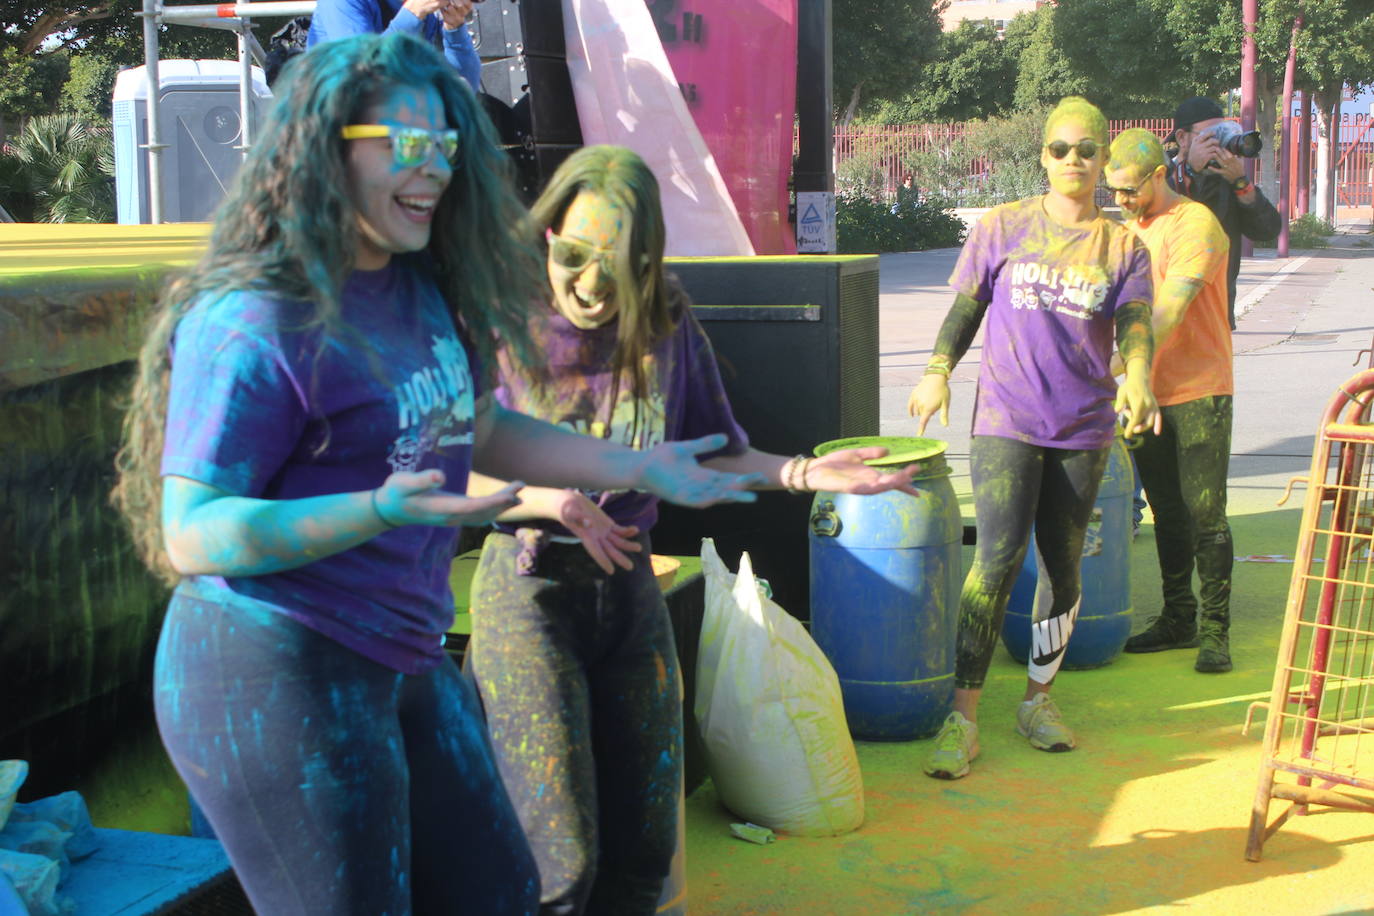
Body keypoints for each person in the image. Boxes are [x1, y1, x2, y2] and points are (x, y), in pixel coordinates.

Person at [111, 35, 766, 915]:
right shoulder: (257, 318)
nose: (434, 170)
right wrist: (377, 508)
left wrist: (638, 463)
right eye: (406, 144)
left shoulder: (420, 287)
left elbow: (484, 426)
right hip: (276, 670)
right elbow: (193, 533)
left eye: (446, 145)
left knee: (502, 894)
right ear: (328, 145)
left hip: (404, 655)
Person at [464, 145, 923, 914]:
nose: (590, 285)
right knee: (560, 865)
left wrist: (805, 472)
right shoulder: (500, 321)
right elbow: (440, 470)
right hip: (529, 589)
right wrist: (551, 501)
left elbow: (722, 452)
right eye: (574, 256)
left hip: (630, 592)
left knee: (646, 851)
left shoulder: (666, 323)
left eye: (617, 264)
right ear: (548, 236)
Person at [907, 96, 1159, 780]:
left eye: (1087, 149)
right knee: (994, 561)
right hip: (1007, 421)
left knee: (1064, 566)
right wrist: (936, 373)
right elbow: (966, 308)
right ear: (1043, 156)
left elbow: (1137, 320)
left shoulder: (1123, 246)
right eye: (1060, 148)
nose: (1073, 160)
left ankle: (1037, 702)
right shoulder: (1004, 226)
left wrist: (1138, 374)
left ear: (1105, 159)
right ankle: (962, 719)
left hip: (1083, 426)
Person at [1107, 129, 1235, 673]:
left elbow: (1168, 313)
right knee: (1165, 510)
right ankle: (1178, 618)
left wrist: (1108, 371)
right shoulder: (1126, 233)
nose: (1121, 202)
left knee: (1205, 511)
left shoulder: (1196, 224)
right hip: (1147, 391)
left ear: (1160, 174)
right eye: (1113, 192)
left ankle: (1214, 632)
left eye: (1130, 190)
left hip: (1200, 388)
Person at [1168, 96, 1282, 328]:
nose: (1220, 143)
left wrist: (1241, 183)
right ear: (1182, 137)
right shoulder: (1160, 175)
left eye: (1223, 134)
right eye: (1211, 136)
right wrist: (1190, 171)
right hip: (1168, 313)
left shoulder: (1227, 179)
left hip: (1217, 314)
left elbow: (1267, 230)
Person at [307, 0, 482, 91]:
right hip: (338, 126)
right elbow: (362, 74)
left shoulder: (425, 10)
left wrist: (455, 27)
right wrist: (413, 13)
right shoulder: (341, 3)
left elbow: (464, 88)